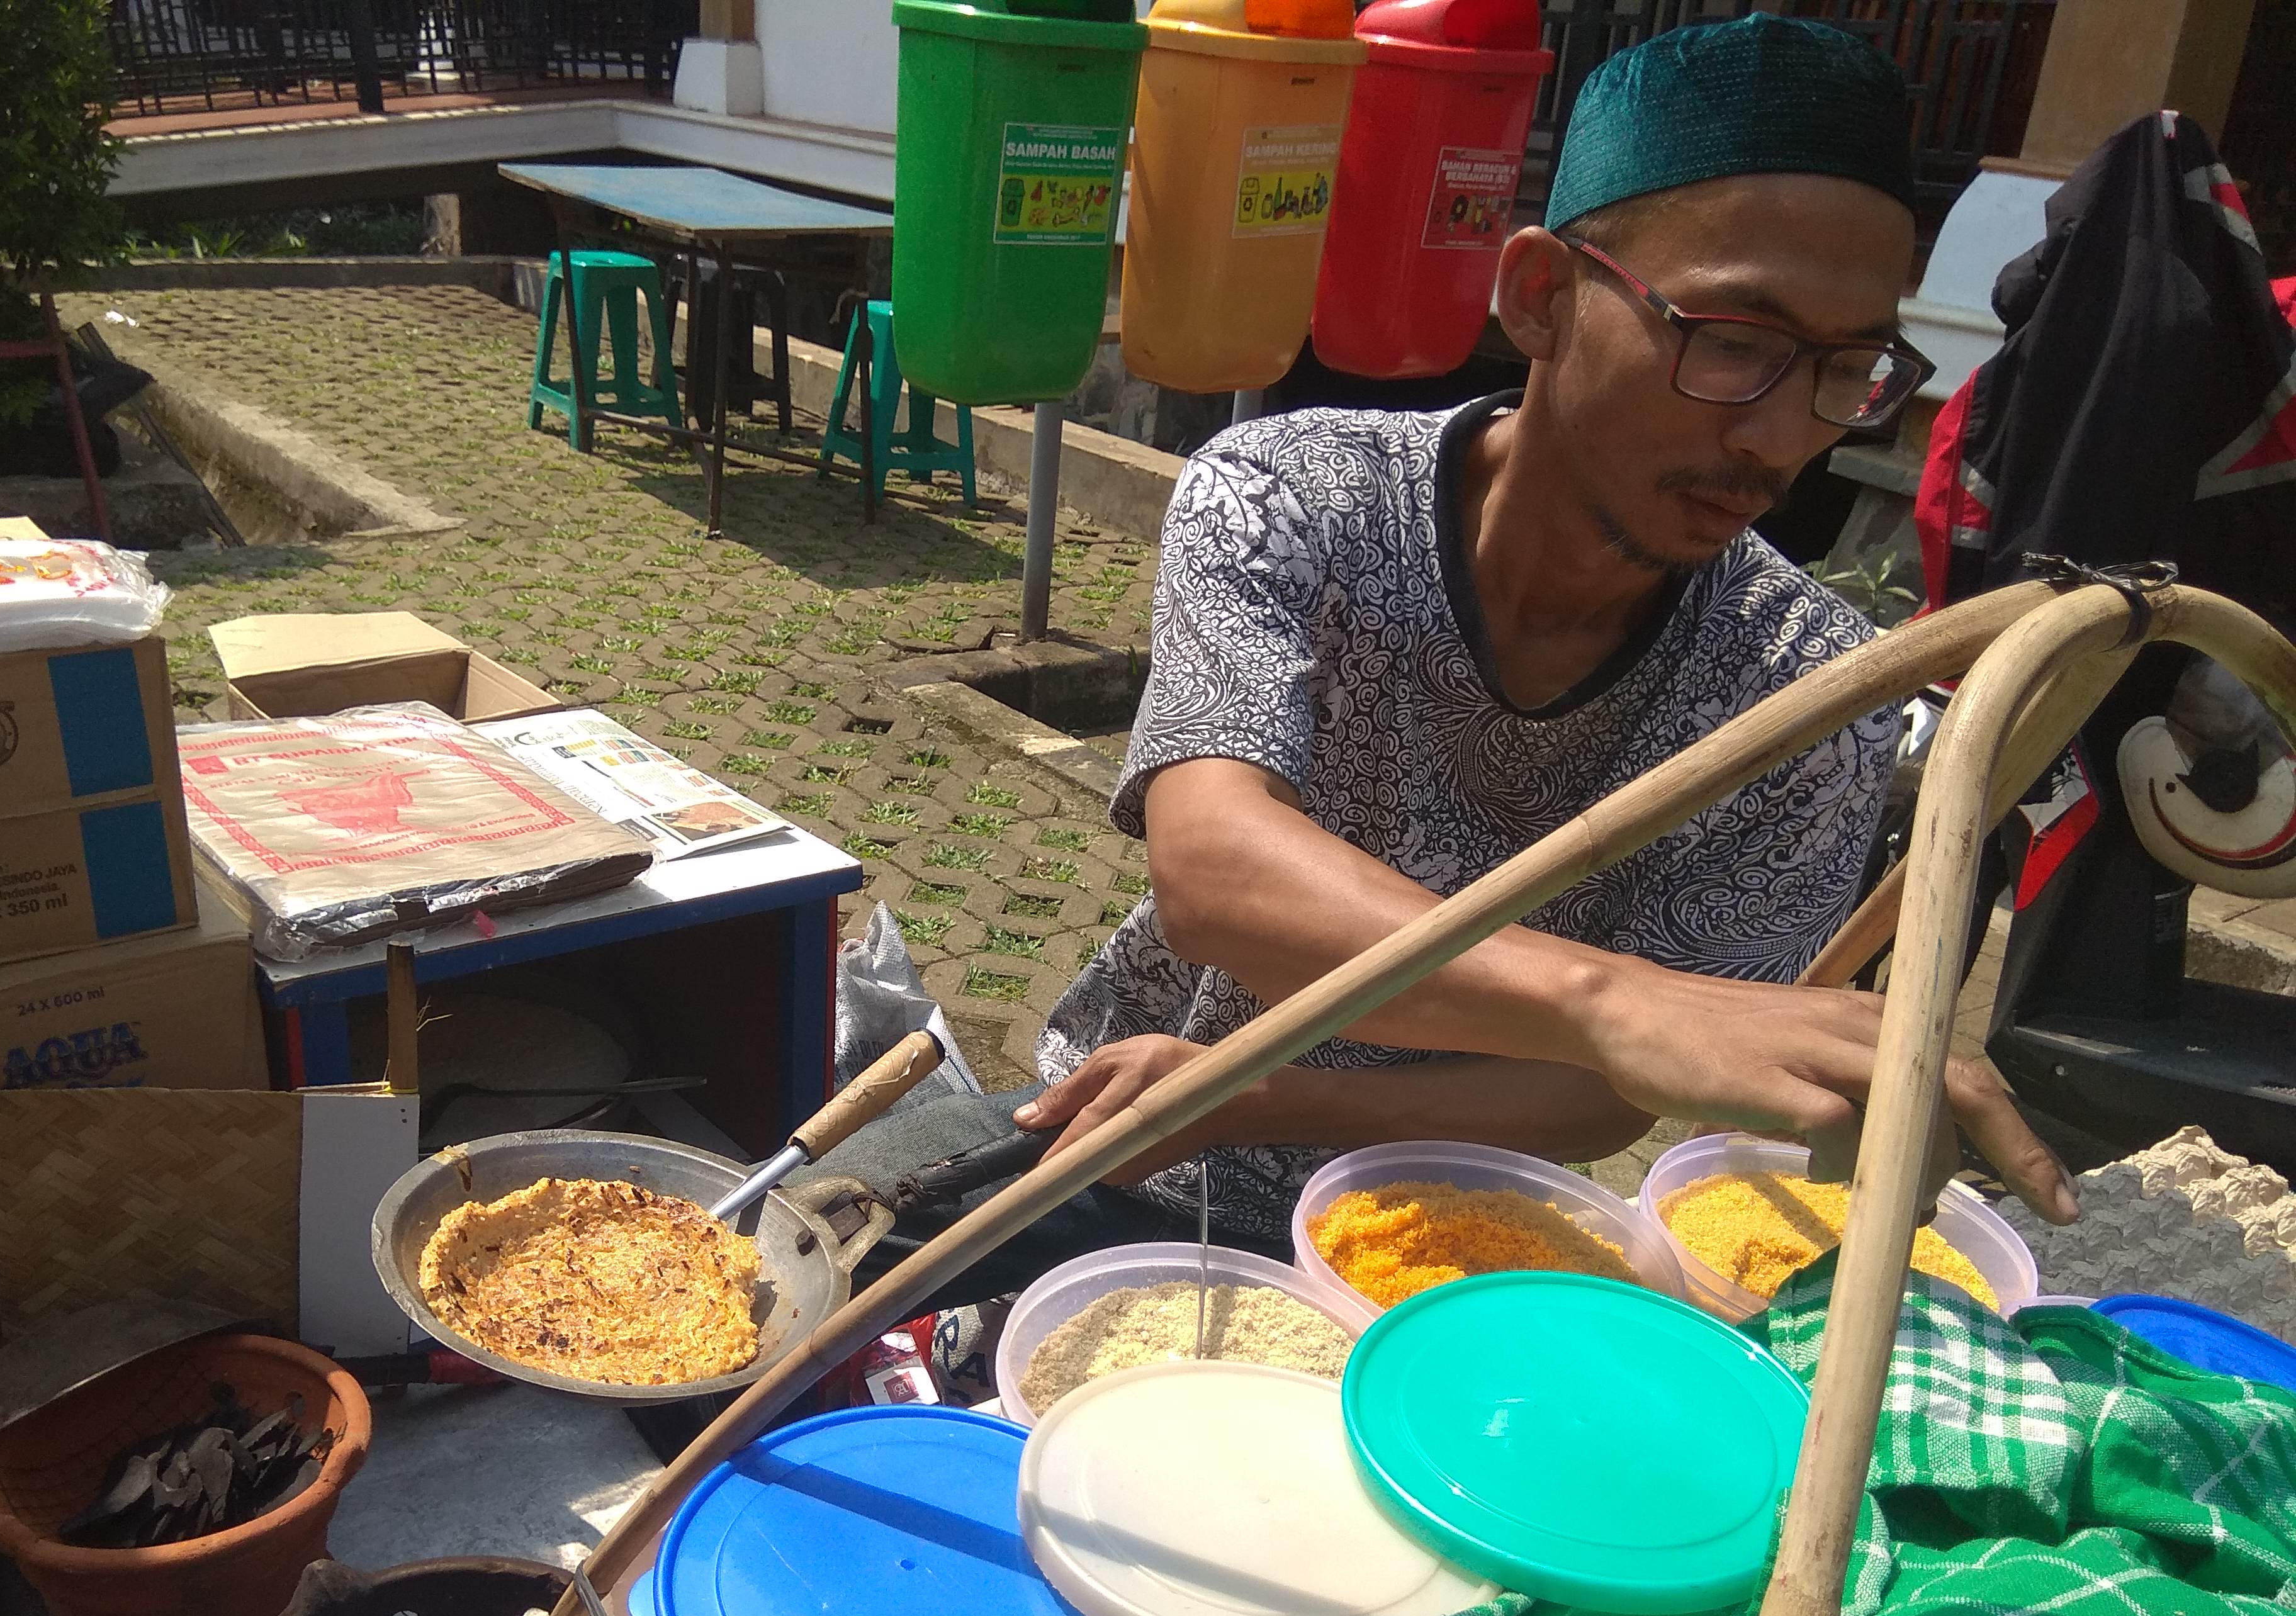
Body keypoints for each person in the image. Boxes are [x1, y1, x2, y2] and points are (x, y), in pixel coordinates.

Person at [823, 14, 2079, 1311]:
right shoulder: (1290, 497)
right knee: (780, 1283)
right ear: (1541, 295)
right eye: (1733, 340)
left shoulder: (1815, 701)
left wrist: (1254, 1093)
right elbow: (1215, 872)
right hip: (1117, 1143)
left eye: (1847, 367)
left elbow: (1601, 1095)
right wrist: (1611, 997)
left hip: (1438, 1229)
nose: (1777, 435)